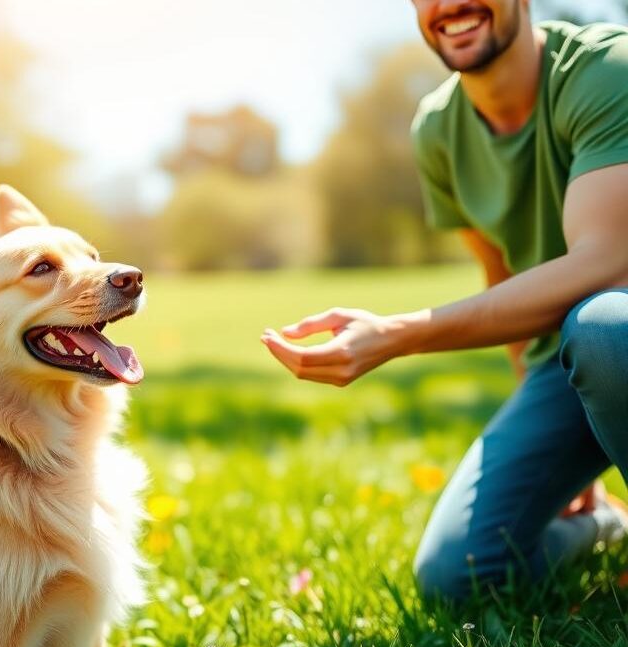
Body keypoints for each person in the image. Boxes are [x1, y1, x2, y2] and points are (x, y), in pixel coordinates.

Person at [261, 0, 628, 600]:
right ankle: (605, 528)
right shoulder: (438, 129)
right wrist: (554, 446)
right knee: (457, 575)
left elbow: (607, 265)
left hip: (616, 328)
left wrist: (398, 334)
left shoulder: (606, 69)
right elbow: (501, 274)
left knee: (605, 328)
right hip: (569, 359)